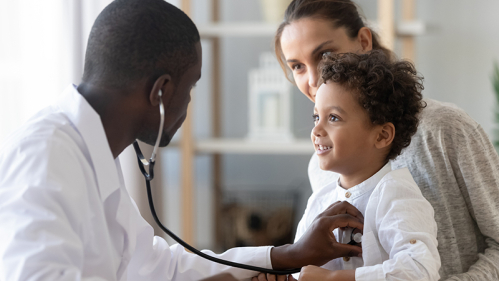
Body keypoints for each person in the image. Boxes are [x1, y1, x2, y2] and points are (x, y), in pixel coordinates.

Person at [0, 0, 365, 280]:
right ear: (161, 92)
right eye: (190, 88)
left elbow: (161, 265)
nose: (188, 105)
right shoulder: (43, 156)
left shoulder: (90, 154)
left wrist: (289, 254)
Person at [254, 0, 499, 280]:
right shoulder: (323, 169)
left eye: (324, 55)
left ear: (363, 41)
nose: (314, 79)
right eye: (297, 66)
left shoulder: (446, 130)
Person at [304, 50, 440, 280]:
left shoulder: (397, 195)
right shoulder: (319, 201)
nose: (317, 130)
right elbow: (302, 267)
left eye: (334, 117)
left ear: (382, 136)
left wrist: (333, 278)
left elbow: (420, 270)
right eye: (316, 117)